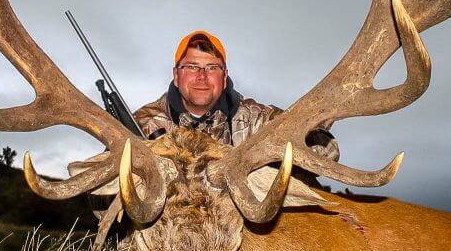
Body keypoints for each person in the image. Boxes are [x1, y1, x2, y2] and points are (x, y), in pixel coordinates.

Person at [134, 30, 339, 160]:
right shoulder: (143, 123)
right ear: (176, 76)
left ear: (224, 78)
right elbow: (103, 197)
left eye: (212, 67)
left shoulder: (254, 119)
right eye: (191, 67)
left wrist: (303, 142)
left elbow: (328, 150)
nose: (202, 76)